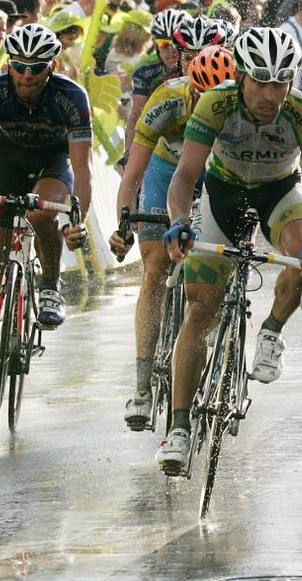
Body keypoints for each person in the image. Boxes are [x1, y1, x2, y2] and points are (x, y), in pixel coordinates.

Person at [155, 27, 302, 471]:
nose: (270, 94)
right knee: (201, 309)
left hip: (279, 191)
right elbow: (184, 175)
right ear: (242, 76)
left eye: (280, 82)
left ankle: (271, 331)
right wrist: (179, 220)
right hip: (223, 192)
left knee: (300, 251)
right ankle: (178, 427)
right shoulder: (218, 102)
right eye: (260, 81)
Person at [0, 24, 91, 408]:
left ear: (52, 66)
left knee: (42, 213)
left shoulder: (71, 97)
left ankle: (48, 285)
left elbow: (84, 168)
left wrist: (76, 221)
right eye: (20, 66)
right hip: (7, 165)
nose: (27, 75)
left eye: (37, 67)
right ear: (9, 65)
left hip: (53, 164)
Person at [110, 45, 236, 430]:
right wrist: (123, 224)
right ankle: (143, 387)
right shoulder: (167, 99)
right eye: (200, 94)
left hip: (215, 173)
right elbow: (134, 173)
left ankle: (222, 352)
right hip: (166, 169)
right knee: (154, 265)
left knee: (217, 268)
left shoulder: (238, 108)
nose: (205, 103)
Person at [120, 8, 189, 168]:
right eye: (164, 45)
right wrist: (128, 155)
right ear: (156, 46)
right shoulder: (145, 70)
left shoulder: (196, 64)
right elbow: (137, 114)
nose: (171, 52)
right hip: (158, 133)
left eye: (176, 45)